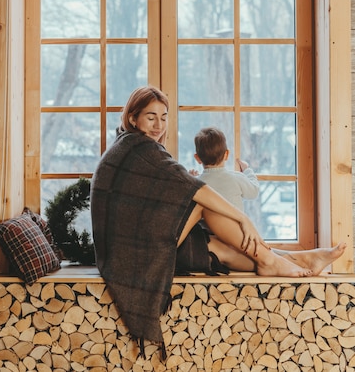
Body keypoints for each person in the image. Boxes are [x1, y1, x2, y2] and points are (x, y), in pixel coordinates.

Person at [90, 85, 346, 356]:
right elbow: (193, 189)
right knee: (200, 199)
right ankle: (274, 260)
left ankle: (297, 259)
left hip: (134, 247)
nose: (158, 125)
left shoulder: (129, 145)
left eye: (164, 117)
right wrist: (242, 218)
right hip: (133, 253)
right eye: (150, 116)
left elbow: (154, 200)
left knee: (220, 248)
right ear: (133, 118)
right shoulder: (139, 148)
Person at [192, 126, 259, 211]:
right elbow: (254, 191)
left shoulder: (195, 185)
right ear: (226, 154)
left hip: (207, 224)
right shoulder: (236, 178)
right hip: (234, 224)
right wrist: (247, 170)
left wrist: (190, 178)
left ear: (197, 158)